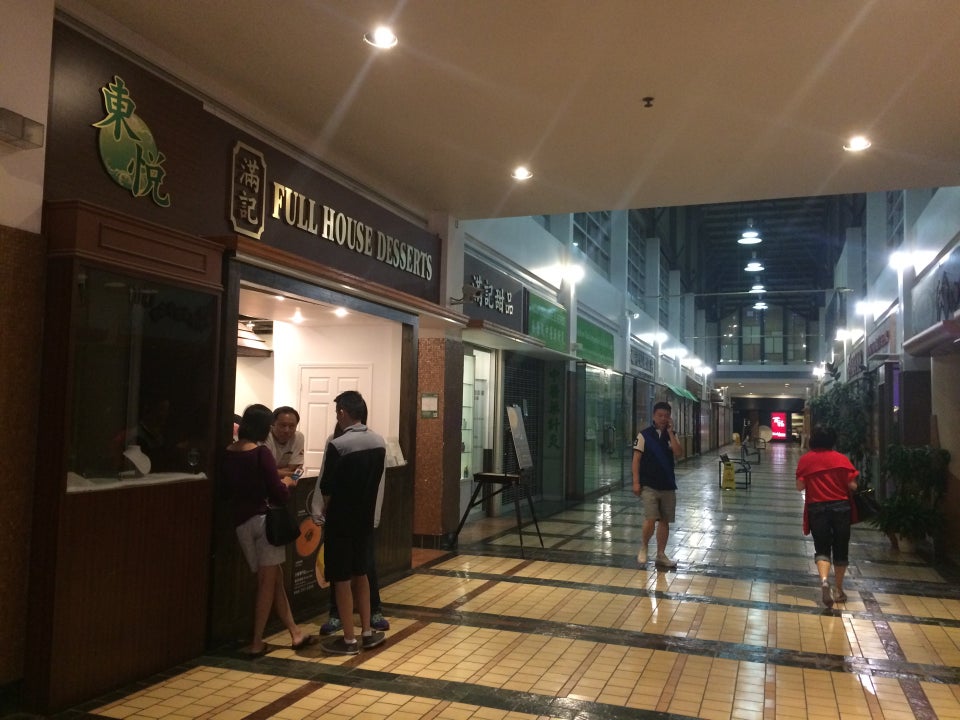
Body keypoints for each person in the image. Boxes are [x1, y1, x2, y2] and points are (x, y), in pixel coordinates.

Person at [222, 403, 315, 656]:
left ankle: (295, 632)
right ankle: (256, 642)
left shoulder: (228, 452)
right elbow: (279, 493)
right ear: (265, 427)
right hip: (265, 523)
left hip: (241, 524)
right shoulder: (260, 453)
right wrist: (288, 482)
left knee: (274, 579)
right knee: (267, 583)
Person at [318, 391, 387, 655]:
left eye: (338, 412)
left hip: (341, 521)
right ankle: (367, 632)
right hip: (364, 520)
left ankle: (348, 639)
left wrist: (324, 509)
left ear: (343, 412)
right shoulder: (379, 442)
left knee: (341, 579)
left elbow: (327, 487)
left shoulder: (339, 445)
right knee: (362, 573)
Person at [796, 425, 859, 608]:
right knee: (841, 548)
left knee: (822, 548)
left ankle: (824, 581)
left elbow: (799, 487)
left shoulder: (806, 460)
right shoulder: (841, 459)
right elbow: (853, 486)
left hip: (817, 509)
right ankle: (838, 590)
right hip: (841, 508)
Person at [632, 401, 684, 568]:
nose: (663, 418)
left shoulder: (672, 435)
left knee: (664, 521)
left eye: (666, 416)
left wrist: (670, 433)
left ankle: (661, 554)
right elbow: (636, 460)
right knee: (650, 518)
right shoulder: (644, 435)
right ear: (654, 416)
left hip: (668, 484)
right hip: (649, 485)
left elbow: (678, 453)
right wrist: (636, 482)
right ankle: (644, 546)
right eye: (660, 415)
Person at [264, 406, 305, 479]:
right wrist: (292, 474)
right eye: (283, 425)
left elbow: (296, 467)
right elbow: (264, 472)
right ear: (273, 424)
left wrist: (274, 472)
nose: (287, 430)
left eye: (292, 426)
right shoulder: (265, 436)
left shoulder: (298, 437)